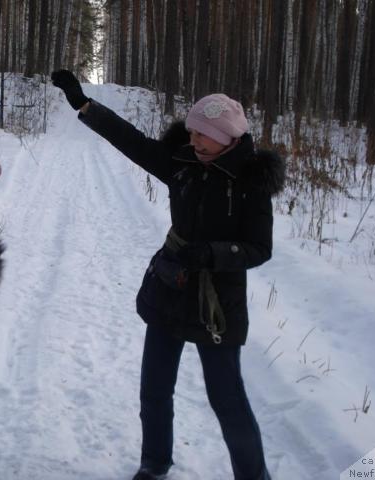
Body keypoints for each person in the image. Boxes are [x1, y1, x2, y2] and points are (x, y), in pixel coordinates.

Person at [51, 70, 284, 480]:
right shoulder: (182, 163)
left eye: (202, 135)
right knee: (154, 389)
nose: (193, 141)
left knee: (227, 399)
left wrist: (212, 253)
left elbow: (259, 249)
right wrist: (85, 105)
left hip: (217, 301)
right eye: (191, 132)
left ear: (227, 137)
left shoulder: (250, 182)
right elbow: (133, 143)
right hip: (170, 286)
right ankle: (154, 463)